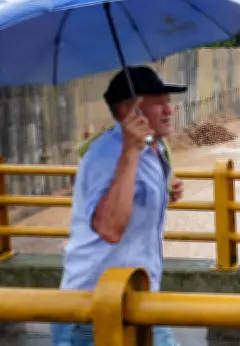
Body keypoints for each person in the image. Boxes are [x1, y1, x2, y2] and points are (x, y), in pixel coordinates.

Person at [51, 66, 187, 346]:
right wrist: (129, 152)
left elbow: (130, 202)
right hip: (93, 307)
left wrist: (163, 191)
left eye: (168, 103)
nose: (169, 111)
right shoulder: (109, 154)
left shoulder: (153, 148)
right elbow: (109, 228)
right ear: (130, 111)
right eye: (159, 103)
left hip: (137, 296)